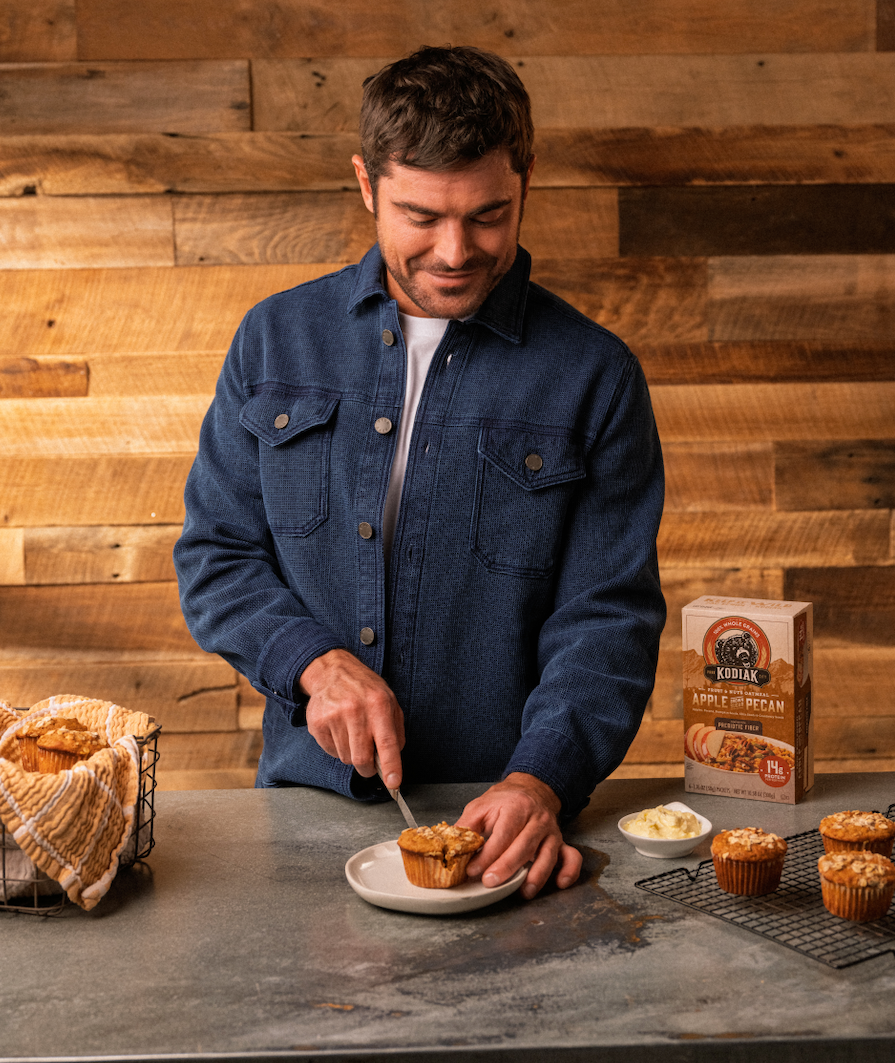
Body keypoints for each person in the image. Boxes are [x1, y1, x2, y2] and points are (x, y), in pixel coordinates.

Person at [174, 45, 665, 899]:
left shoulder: (596, 376)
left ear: (526, 182)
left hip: (503, 826)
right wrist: (314, 662)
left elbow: (608, 618)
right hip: (302, 815)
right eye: (420, 215)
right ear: (366, 184)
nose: (454, 251)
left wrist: (540, 781)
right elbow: (217, 554)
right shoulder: (273, 339)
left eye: (487, 215)